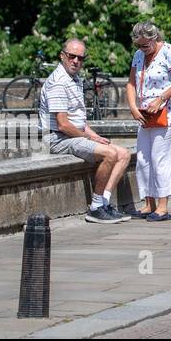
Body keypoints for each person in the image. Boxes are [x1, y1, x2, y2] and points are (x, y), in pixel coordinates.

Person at [39, 38, 132, 224]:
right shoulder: (58, 83)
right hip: (58, 139)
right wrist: (87, 138)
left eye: (80, 58)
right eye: (72, 56)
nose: (76, 61)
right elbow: (63, 125)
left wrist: (94, 136)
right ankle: (95, 208)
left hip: (71, 135)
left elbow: (79, 121)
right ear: (62, 56)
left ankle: (103, 203)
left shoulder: (75, 80)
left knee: (124, 154)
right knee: (110, 154)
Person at [126, 22, 171, 221]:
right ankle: (148, 203)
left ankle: (162, 206)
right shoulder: (138, 55)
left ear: (155, 39)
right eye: (139, 45)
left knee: (160, 158)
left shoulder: (168, 50)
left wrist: (161, 99)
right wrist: (133, 108)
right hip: (146, 113)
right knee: (144, 159)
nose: (142, 49)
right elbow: (131, 83)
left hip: (169, 113)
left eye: (146, 45)